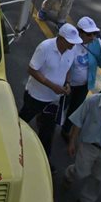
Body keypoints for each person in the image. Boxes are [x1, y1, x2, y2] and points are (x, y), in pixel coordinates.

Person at [19, 23, 81, 154]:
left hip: (53, 100)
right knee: (20, 123)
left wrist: (68, 83)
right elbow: (32, 69)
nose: (73, 45)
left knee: (47, 133)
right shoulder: (45, 47)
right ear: (61, 39)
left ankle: (45, 160)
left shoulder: (71, 50)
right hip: (35, 96)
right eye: (71, 42)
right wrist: (52, 86)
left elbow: (68, 68)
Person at [61, 16, 101, 140]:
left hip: (84, 85)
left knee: (75, 109)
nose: (92, 37)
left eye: (94, 33)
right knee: (60, 106)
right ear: (80, 33)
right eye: (89, 34)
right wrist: (66, 82)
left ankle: (66, 130)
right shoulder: (71, 44)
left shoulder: (96, 44)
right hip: (67, 84)